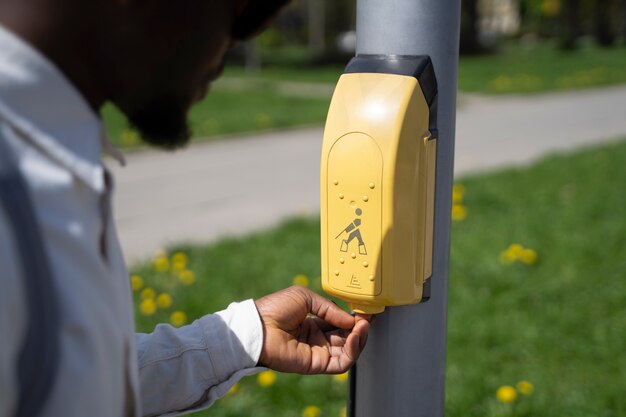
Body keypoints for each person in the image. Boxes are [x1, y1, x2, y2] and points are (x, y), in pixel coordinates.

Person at [0, 1, 371, 416]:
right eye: (241, 14)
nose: (231, 48)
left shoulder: (48, 148)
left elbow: (72, 383)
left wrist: (245, 336)